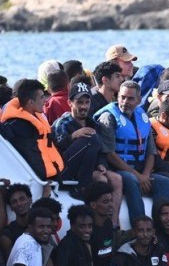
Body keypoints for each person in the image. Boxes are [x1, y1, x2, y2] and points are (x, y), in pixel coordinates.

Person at [95, 80, 169, 219]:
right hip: (117, 169)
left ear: (138, 100)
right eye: (122, 97)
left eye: (130, 98)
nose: (125, 102)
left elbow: (150, 152)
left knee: (164, 182)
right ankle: (140, 223)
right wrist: (138, 176)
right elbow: (109, 154)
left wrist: (146, 175)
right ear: (117, 97)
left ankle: (162, 225)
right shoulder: (108, 118)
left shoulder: (142, 117)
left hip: (140, 170)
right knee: (131, 180)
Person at [52, 79, 124, 218]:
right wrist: (73, 136)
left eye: (87, 102)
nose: (84, 106)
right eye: (79, 102)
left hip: (89, 167)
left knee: (116, 179)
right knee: (92, 139)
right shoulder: (62, 123)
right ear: (70, 103)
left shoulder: (94, 124)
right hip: (67, 168)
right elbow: (58, 147)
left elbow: (101, 152)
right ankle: (82, 188)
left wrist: (101, 165)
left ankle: (113, 225)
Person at [0, 79, 65, 182]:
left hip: (55, 174)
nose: (45, 100)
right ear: (31, 102)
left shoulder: (38, 118)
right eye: (41, 98)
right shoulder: (16, 124)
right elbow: (0, 132)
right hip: (38, 180)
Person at [83, 182, 117, 266]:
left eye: (111, 200)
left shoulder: (108, 223)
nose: (111, 205)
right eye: (106, 202)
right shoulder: (87, 231)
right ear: (93, 205)